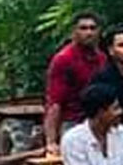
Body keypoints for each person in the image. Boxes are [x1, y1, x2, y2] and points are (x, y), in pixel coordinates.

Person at [45, 12, 107, 154]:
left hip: (99, 120)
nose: (89, 33)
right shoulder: (63, 59)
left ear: (99, 32)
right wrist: (51, 141)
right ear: (74, 32)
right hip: (72, 121)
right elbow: (55, 102)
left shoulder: (102, 58)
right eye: (83, 28)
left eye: (93, 28)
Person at [61, 83, 123, 165]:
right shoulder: (72, 139)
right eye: (115, 108)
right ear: (100, 112)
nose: (121, 112)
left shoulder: (122, 134)